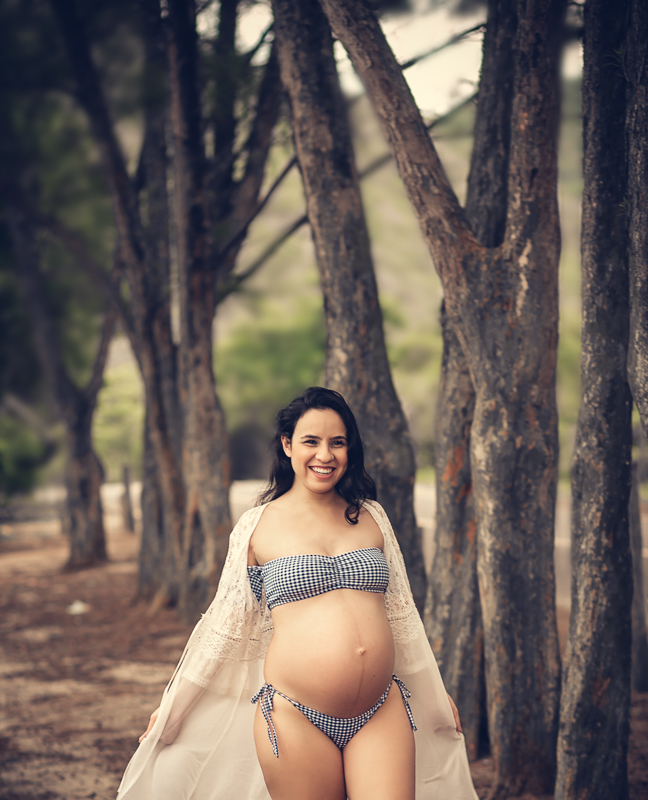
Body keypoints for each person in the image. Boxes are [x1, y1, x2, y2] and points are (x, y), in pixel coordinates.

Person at [117, 387, 478, 800]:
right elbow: (226, 624)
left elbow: (401, 616)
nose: (325, 455)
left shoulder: (371, 516)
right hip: (293, 716)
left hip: (382, 708)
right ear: (288, 445)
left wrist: (433, 691)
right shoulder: (258, 526)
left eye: (337, 443)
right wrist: (174, 707)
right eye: (311, 441)